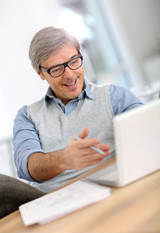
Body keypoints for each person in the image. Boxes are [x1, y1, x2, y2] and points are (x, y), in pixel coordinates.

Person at [13, 26, 143, 195]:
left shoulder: (115, 96)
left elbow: (147, 131)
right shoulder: (27, 116)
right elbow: (26, 166)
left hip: (114, 190)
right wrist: (63, 159)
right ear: (40, 73)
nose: (69, 75)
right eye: (57, 69)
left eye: (74, 61)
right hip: (56, 203)